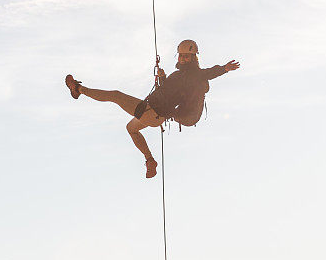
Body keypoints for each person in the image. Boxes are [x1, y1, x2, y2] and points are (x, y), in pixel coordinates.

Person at [65, 39, 240, 178]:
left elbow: (207, 73)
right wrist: (163, 78)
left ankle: (78, 90)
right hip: (154, 113)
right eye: (180, 56)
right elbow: (169, 91)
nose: (182, 59)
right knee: (131, 128)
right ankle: (149, 160)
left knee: (116, 96)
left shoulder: (193, 74)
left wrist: (224, 68)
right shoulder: (179, 76)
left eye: (187, 56)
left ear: (194, 59)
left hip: (153, 111)